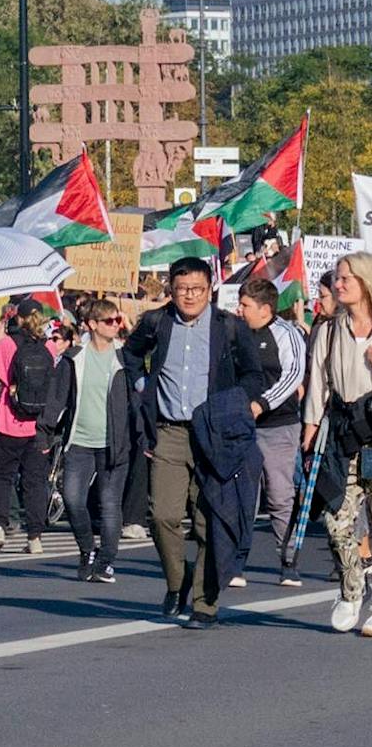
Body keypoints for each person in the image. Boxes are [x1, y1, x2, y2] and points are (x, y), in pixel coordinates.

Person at [124, 254, 267, 627]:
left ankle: (205, 603)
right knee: (163, 515)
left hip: (214, 434)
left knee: (208, 522)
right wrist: (144, 389)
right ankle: (178, 580)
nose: (189, 296)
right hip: (170, 431)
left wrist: (244, 405)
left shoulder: (229, 327)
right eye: (182, 289)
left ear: (210, 290)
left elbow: (255, 373)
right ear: (170, 289)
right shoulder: (157, 322)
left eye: (197, 289)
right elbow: (131, 356)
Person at [304, 250, 372, 633]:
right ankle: (351, 589)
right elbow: (318, 383)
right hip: (343, 432)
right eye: (337, 278)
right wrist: (310, 429)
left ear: (364, 281)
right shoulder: (329, 330)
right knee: (336, 519)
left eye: (346, 278)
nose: (338, 284)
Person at [49, 296, 132, 582]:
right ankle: (88, 550)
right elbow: (57, 398)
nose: (115, 326)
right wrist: (44, 431)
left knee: (109, 506)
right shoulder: (74, 358)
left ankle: (106, 561)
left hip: (114, 445)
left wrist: (144, 438)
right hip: (79, 442)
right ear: (92, 325)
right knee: (72, 500)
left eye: (117, 320)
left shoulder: (124, 358)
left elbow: (138, 401)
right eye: (109, 321)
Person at [236, 273, 306, 586]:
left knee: (279, 495)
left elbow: (293, 375)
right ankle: (236, 560)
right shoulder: (236, 332)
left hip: (278, 427)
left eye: (245, 305)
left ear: (265, 309)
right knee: (242, 495)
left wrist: (262, 404)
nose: (239, 310)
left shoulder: (286, 334)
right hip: (242, 428)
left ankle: (288, 559)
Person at [0, 299, 60, 556]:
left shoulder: (7, 345)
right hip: (37, 424)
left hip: (9, 419)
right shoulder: (50, 347)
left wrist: (0, 336)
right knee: (35, 482)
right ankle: (35, 537)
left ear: (20, 318)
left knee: (2, 477)